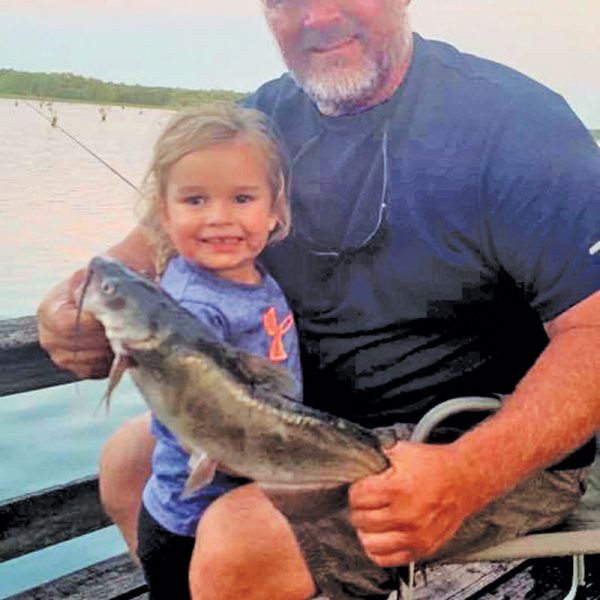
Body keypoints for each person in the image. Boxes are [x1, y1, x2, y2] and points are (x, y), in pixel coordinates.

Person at [38, 1, 600, 599]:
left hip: (473, 438)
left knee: (243, 540)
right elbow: (142, 250)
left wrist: (466, 473)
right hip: (298, 416)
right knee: (129, 462)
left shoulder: (516, 124)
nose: (319, 16)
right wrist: (70, 305)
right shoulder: (262, 119)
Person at [104, 103, 302, 599]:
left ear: (275, 208)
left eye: (242, 198)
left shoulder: (243, 273)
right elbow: (205, 429)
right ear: (163, 212)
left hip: (220, 506)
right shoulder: (194, 306)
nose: (220, 219)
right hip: (190, 527)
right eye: (194, 200)